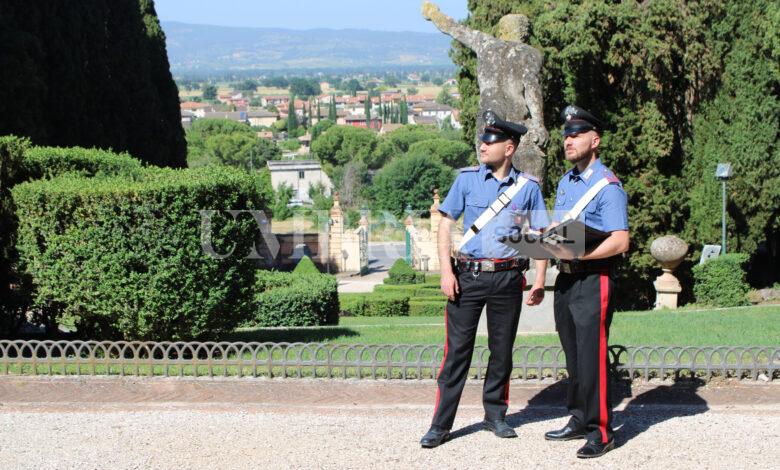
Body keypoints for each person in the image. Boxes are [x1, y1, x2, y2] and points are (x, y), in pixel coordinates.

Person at [420, 111, 549, 448]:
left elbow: (538, 234)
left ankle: (495, 416)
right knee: (457, 354)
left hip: (508, 279)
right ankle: (441, 424)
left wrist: (539, 279)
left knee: (501, 352)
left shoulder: (528, 187)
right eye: (482, 139)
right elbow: (445, 224)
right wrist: (446, 272)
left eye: (489, 141)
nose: (482, 145)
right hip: (468, 277)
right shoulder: (466, 179)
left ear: (509, 148)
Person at [542, 105, 629, 458]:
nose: (568, 141)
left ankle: (602, 431)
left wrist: (581, 257)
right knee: (574, 356)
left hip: (595, 279)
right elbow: (563, 231)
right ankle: (579, 417)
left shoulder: (608, 186)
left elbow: (620, 240)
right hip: (566, 281)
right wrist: (540, 239)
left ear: (595, 140)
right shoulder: (566, 182)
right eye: (565, 135)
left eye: (575, 135)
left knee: (592, 356)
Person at [422, 1, 548, 183]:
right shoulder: (530, 53)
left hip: (488, 122)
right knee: (526, 185)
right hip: (518, 123)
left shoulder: (485, 44)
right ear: (525, 32)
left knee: (488, 180)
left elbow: (454, 28)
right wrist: (539, 123)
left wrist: (433, 14)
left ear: (501, 30)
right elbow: (532, 90)